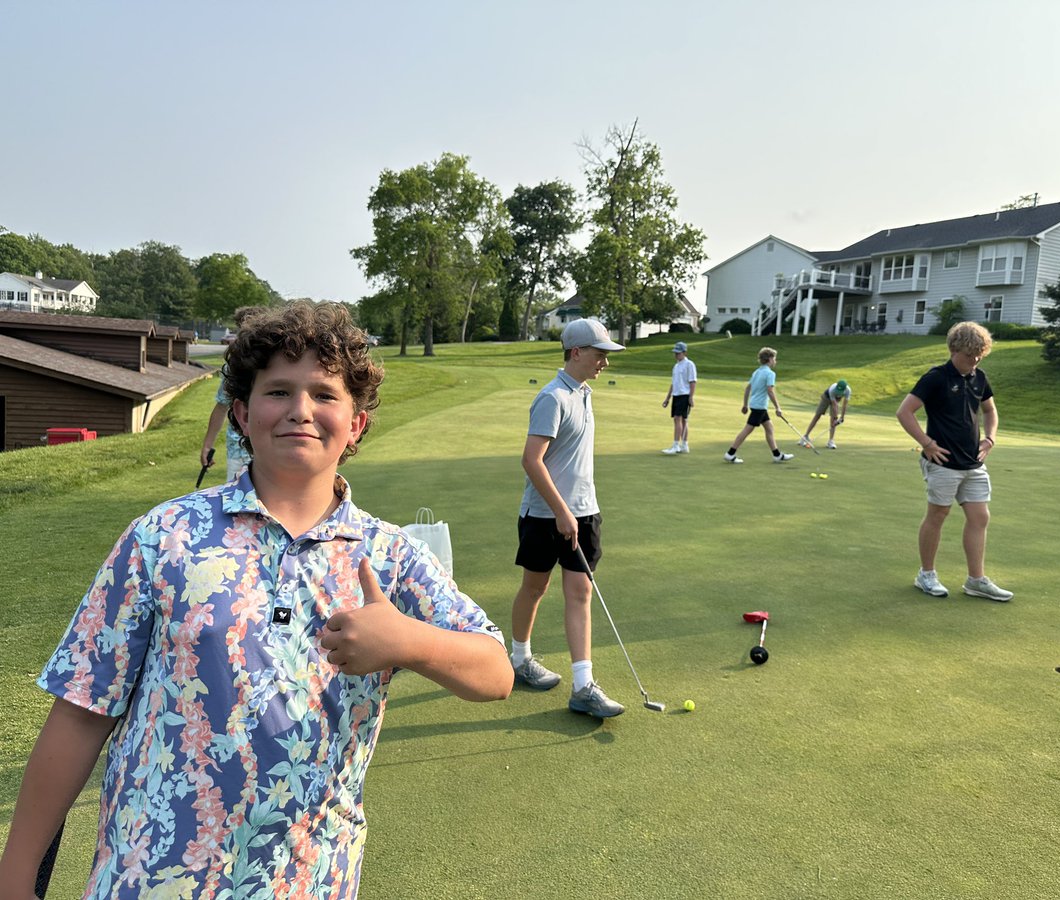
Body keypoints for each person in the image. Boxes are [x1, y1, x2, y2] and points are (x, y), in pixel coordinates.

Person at [0, 301, 513, 899]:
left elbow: (496, 671)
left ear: (356, 425)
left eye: (325, 394)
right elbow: (82, 710)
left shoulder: (389, 557)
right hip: (150, 874)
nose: (300, 410)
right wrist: (15, 873)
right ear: (241, 413)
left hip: (309, 877)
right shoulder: (165, 537)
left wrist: (409, 640)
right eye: (278, 391)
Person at [510, 318, 627, 718]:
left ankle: (583, 686)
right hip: (545, 515)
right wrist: (561, 511)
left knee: (580, 593)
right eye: (599, 355)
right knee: (535, 589)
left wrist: (576, 510)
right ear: (576, 352)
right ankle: (520, 658)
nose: (604, 363)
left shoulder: (584, 393)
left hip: (585, 512)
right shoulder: (552, 397)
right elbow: (531, 460)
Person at [896, 321, 1013, 602]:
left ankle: (976, 580)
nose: (973, 362)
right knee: (938, 514)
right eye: (969, 356)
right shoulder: (936, 377)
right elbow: (905, 412)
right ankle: (926, 574)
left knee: (980, 516)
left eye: (978, 357)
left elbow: (990, 411)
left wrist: (990, 438)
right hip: (943, 462)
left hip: (972, 462)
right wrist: (927, 443)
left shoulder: (979, 377)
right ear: (953, 350)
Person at [200, 306, 263, 481]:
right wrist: (207, 446)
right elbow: (222, 406)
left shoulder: (274, 365)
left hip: (266, 449)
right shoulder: (233, 366)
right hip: (237, 449)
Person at [723, 346, 794, 465]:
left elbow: (747, 388)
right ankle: (730, 454)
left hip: (756, 405)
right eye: (774, 358)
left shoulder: (757, 372)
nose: (775, 361)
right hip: (760, 407)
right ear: (770, 359)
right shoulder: (770, 374)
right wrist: (778, 407)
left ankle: (777, 455)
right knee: (747, 430)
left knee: (769, 428)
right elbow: (770, 391)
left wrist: (745, 405)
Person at [661, 340, 697, 454]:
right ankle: (684, 445)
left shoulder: (689, 364)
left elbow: (692, 382)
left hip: (684, 395)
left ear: (684, 353)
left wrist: (691, 397)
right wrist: (667, 398)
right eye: (675, 353)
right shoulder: (676, 366)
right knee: (682, 420)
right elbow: (673, 383)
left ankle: (676, 445)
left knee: (679, 419)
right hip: (676, 395)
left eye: (678, 353)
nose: (676, 355)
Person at [801, 378, 851, 449]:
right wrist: (836, 418)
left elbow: (844, 405)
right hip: (826, 397)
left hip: (837, 400)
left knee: (832, 420)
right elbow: (834, 405)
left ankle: (830, 441)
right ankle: (805, 436)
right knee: (818, 415)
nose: (839, 392)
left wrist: (842, 417)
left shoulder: (848, 391)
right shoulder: (832, 389)